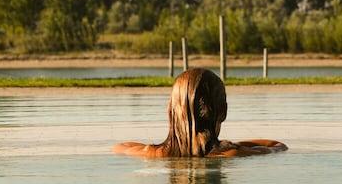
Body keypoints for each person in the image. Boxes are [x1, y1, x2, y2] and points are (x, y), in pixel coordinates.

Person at [113, 68, 287, 158]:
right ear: (223, 111)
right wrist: (232, 145)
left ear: (171, 111)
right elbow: (277, 146)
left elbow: (121, 146)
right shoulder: (230, 154)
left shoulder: (150, 153)